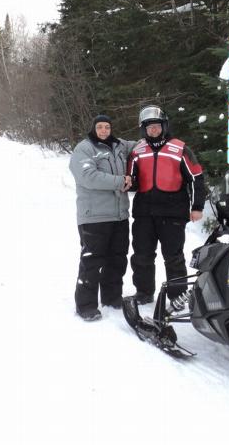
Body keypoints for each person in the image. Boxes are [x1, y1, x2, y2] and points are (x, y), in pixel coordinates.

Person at [127, 106, 206, 308]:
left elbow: (196, 178)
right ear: (143, 130)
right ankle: (144, 292)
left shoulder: (180, 148)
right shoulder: (137, 150)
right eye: (149, 128)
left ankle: (177, 295)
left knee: (173, 257)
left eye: (157, 127)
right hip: (144, 212)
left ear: (164, 127)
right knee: (142, 255)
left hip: (173, 212)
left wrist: (197, 206)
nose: (153, 131)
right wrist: (127, 183)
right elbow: (132, 179)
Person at [69, 115, 135, 321]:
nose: (104, 130)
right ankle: (86, 305)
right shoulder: (85, 149)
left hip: (119, 215)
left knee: (117, 258)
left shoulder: (119, 146)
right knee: (92, 262)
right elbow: (88, 177)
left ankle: (112, 297)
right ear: (93, 128)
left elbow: (140, 145)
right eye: (100, 127)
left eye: (107, 126)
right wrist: (120, 181)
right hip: (94, 217)